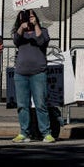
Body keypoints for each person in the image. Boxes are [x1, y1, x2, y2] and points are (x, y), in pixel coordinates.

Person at [11, 9, 55, 143]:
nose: (28, 18)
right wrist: (21, 27)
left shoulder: (42, 30)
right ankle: (24, 132)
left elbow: (42, 41)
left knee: (40, 103)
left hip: (38, 72)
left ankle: (46, 133)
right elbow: (16, 41)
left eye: (31, 16)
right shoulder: (19, 32)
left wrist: (35, 25)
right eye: (24, 16)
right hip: (21, 73)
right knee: (22, 105)